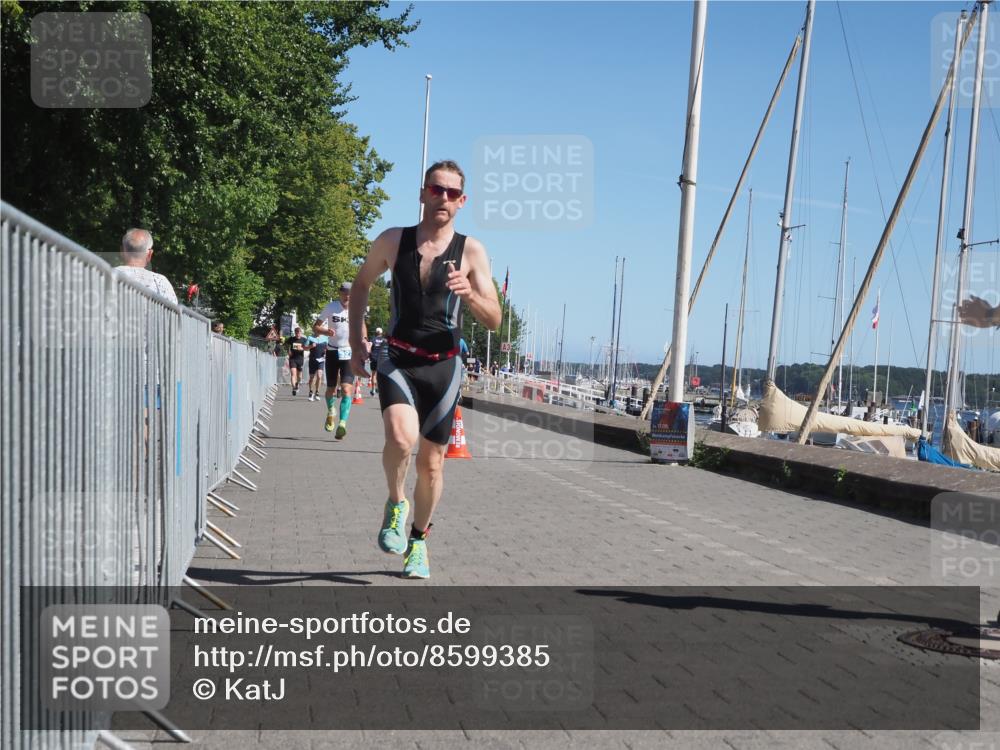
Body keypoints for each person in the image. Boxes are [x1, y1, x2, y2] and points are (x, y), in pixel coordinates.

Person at [348, 160, 501, 579]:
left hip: (444, 368)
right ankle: (396, 502)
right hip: (397, 358)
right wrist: (356, 339)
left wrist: (470, 293)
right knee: (400, 438)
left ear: (462, 202)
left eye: (453, 194)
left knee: (432, 465)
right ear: (423, 194)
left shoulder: (471, 251)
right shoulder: (394, 240)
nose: (444, 199)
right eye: (437, 190)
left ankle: (418, 540)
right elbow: (361, 284)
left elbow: (494, 319)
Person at [315, 282, 362, 438]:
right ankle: (331, 410)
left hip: (349, 353)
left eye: (350, 293)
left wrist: (366, 339)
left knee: (347, 389)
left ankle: (342, 423)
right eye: (344, 293)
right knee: (331, 389)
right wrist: (325, 331)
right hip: (333, 352)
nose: (347, 296)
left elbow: (362, 326)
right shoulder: (331, 307)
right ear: (340, 293)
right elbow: (316, 327)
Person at [117, 229, 177, 304]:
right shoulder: (160, 282)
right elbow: (173, 313)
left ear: (122, 251)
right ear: (149, 254)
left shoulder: (103, 274)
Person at [304, 327, 328, 401]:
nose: (318, 332)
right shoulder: (310, 338)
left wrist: (326, 353)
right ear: (314, 331)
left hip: (321, 360)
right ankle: (311, 392)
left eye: (319, 331)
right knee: (312, 377)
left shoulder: (325, 338)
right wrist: (311, 346)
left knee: (319, 376)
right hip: (312, 359)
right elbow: (305, 348)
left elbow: (328, 348)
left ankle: (317, 392)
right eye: (317, 331)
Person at [285, 326, 307, 396]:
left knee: (299, 376)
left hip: (300, 359)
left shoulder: (304, 340)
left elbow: (307, 347)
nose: (297, 334)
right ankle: (294, 388)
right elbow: (285, 345)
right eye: (296, 333)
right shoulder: (291, 339)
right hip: (292, 358)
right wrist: (288, 350)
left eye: (299, 333)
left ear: (301, 333)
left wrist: (302, 349)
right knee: (293, 374)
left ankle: (297, 384)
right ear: (295, 333)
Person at [369, 327, 387, 395]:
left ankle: (373, 390)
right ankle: (378, 388)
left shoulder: (373, 339)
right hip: (381, 359)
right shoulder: (384, 340)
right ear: (381, 333)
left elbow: (369, 348)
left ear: (376, 332)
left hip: (374, 358)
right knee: (380, 375)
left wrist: (369, 355)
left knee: (373, 374)